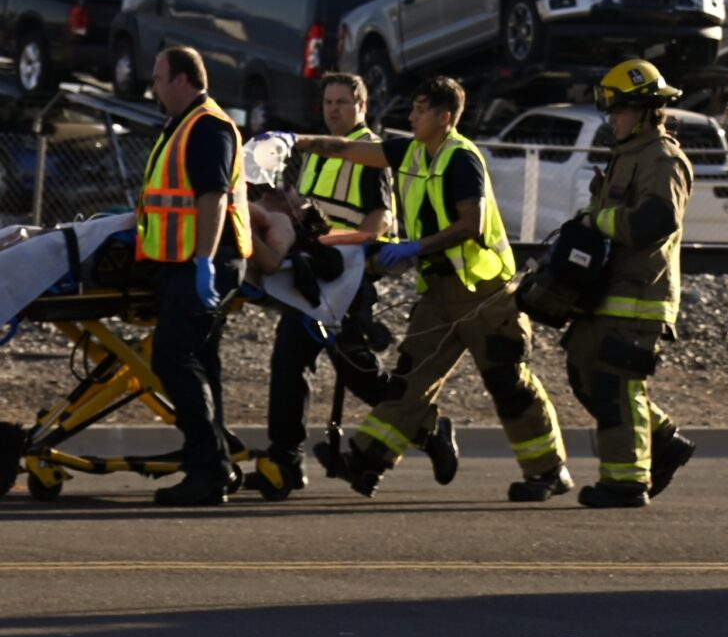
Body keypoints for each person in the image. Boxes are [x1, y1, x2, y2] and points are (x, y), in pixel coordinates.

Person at [271, 76, 569, 501]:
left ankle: (548, 470)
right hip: (439, 291)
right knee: (410, 381)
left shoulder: (461, 158)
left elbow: (471, 224)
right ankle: (368, 460)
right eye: (412, 108)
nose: (411, 117)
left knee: (508, 383)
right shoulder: (411, 151)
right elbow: (346, 149)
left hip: (483, 292)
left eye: (420, 110)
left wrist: (415, 247)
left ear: (444, 118)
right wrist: (294, 141)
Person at [247, 72, 458, 495]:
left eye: (342, 102)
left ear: (362, 107)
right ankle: (285, 463)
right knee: (288, 364)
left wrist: (342, 246)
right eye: (328, 102)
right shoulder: (318, 155)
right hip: (313, 279)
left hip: (345, 282)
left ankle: (428, 427)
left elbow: (380, 219)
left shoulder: (368, 153)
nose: (333, 109)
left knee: (359, 373)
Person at [564, 59, 696, 508]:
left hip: (639, 295)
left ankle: (626, 482)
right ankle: (665, 442)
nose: (612, 119)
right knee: (583, 372)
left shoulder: (662, 159)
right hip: (606, 291)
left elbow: (656, 221)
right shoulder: (626, 154)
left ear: (644, 110)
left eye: (619, 110)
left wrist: (598, 221)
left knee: (615, 385)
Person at [137, 46, 252, 507]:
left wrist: (204, 262)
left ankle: (208, 466)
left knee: (172, 355)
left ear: (182, 80)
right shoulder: (182, 125)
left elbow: (213, 197)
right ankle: (213, 461)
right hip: (184, 262)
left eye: (158, 78)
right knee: (200, 361)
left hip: (205, 262)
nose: (154, 87)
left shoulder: (207, 126)